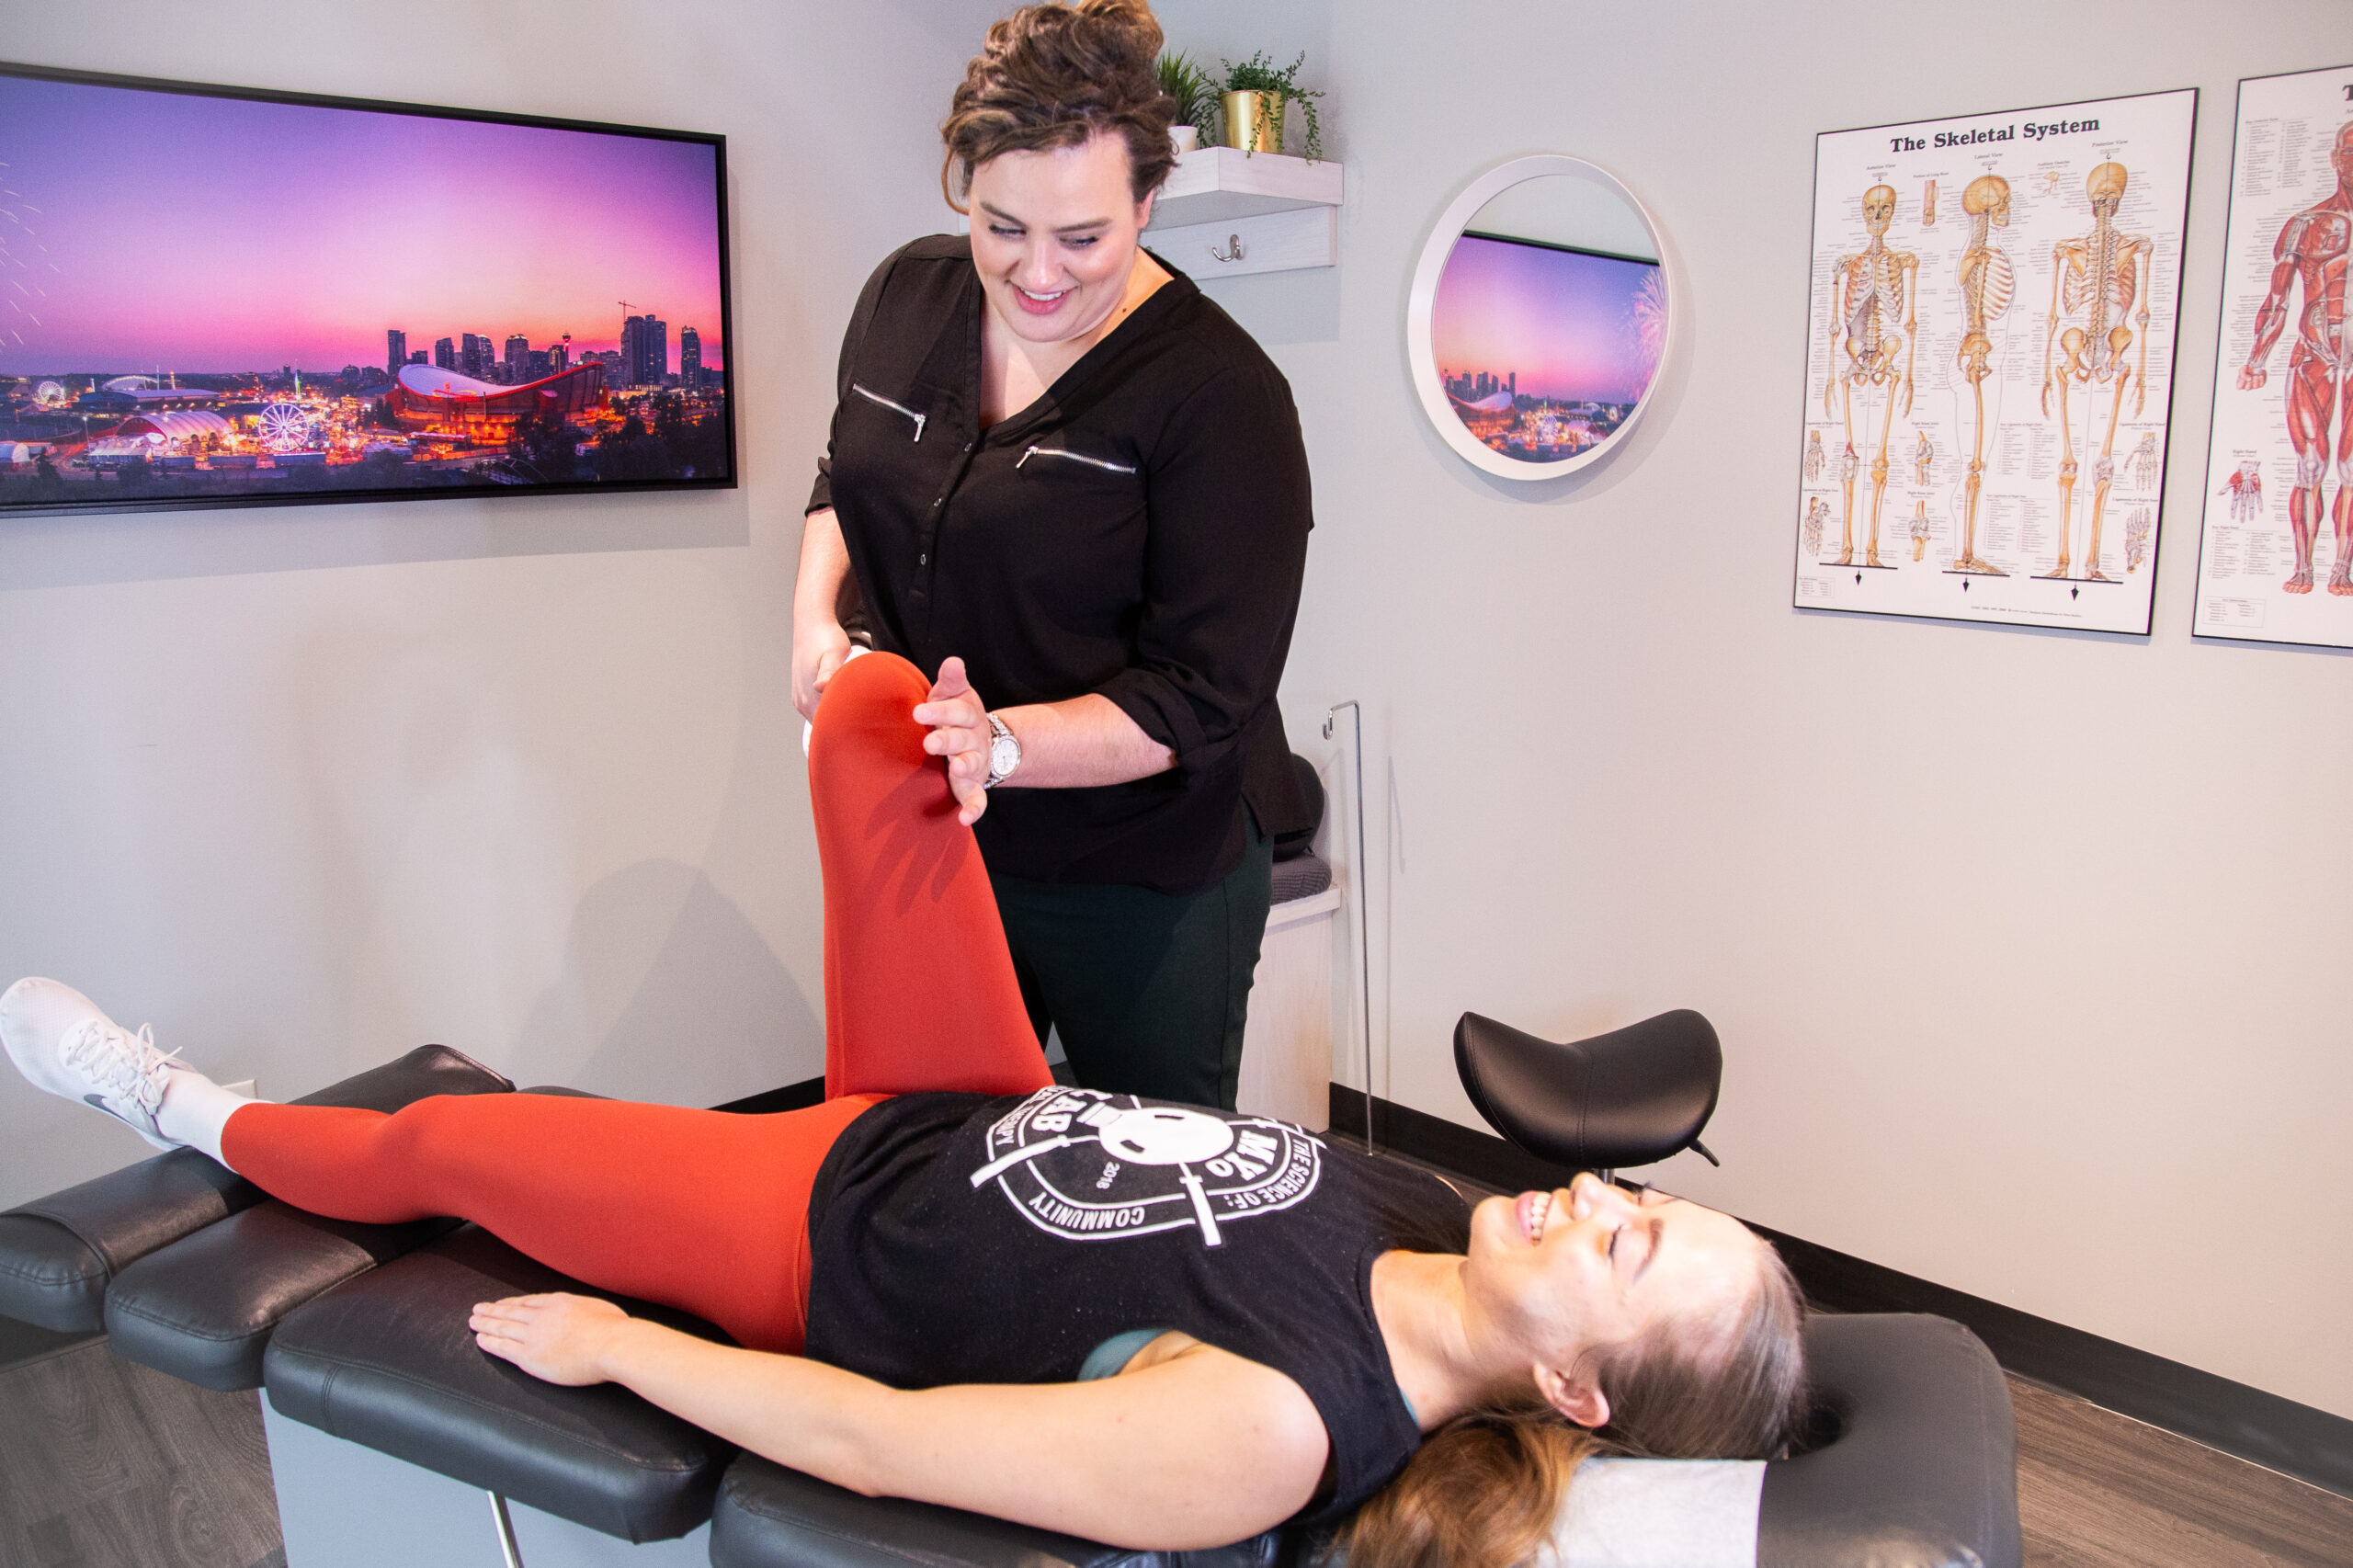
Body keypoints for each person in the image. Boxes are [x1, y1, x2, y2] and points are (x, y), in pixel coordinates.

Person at [3, 653, 1806, 1568]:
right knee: (873, 709)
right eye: (1625, 1194)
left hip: (814, 1226)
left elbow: (872, 1444)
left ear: (1573, 1389)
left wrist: (622, 1342)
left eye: (1628, 1239)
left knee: (448, 1147)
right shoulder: (1422, 1214)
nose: (1586, 1189)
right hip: (967, 1093)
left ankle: (179, 1093)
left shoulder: (1275, 1429)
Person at [793, 0, 1313, 1109]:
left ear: (1149, 199)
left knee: (1141, 1182)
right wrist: (814, 617)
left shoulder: (1222, 401)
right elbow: (850, 467)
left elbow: (1201, 695)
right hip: (935, 831)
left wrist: (1004, 747)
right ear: (963, 190)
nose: (1036, 274)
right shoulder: (902, 295)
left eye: (1082, 237)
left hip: (1144, 871)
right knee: (928, 1152)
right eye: (1001, 227)